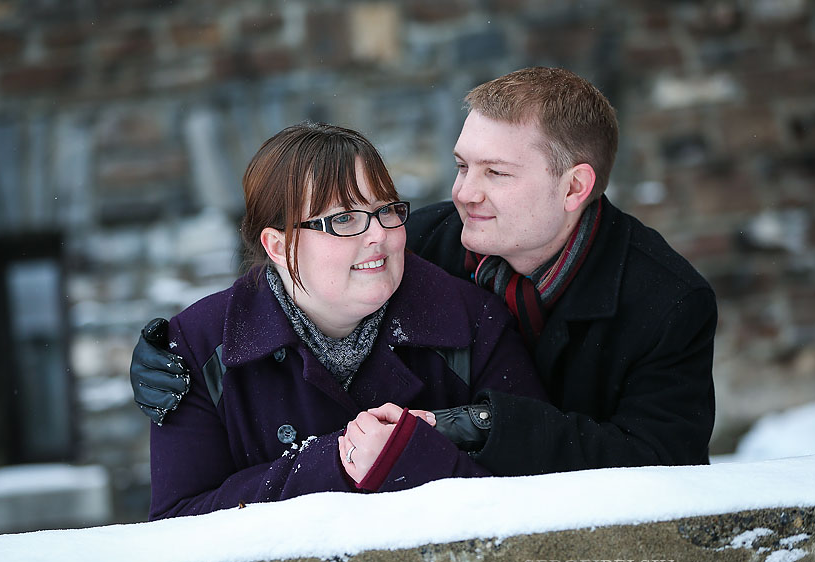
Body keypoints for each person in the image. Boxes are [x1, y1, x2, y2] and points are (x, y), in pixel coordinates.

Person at [134, 66, 717, 482]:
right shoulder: (420, 238)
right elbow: (296, 261)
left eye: (496, 173)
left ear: (574, 187)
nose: (464, 193)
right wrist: (167, 355)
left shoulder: (667, 302)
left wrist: (478, 425)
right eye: (462, 165)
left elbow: (664, 470)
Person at [138, 122, 546, 520]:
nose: (379, 236)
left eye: (386, 211)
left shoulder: (473, 322)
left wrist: (408, 458)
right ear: (278, 245)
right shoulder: (197, 346)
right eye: (343, 219)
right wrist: (333, 465)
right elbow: (180, 526)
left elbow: (541, 491)